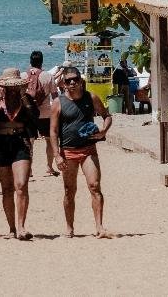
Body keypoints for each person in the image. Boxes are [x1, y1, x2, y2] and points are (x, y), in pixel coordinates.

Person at [49, 66, 112, 238]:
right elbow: (53, 132)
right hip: (68, 152)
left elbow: (107, 115)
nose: (72, 83)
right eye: (68, 80)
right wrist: (57, 155)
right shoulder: (58, 103)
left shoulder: (91, 97)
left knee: (94, 186)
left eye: (75, 79)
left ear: (81, 80)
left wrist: (104, 131)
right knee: (70, 190)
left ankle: (99, 227)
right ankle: (69, 228)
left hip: (88, 150)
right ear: (63, 83)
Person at [0, 68, 39, 240]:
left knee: (21, 185)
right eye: (8, 87)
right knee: (6, 188)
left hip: (20, 143)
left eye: (14, 87)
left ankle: (21, 227)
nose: (11, 90)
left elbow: (35, 117)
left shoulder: (26, 100)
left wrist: (24, 95)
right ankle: (11, 228)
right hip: (1, 144)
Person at [22, 50, 59, 177]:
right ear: (42, 62)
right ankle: (49, 167)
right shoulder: (48, 76)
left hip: (28, 114)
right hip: (45, 114)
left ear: (30, 61)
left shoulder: (22, 76)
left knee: (29, 141)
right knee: (49, 140)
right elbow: (55, 97)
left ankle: (29, 169)